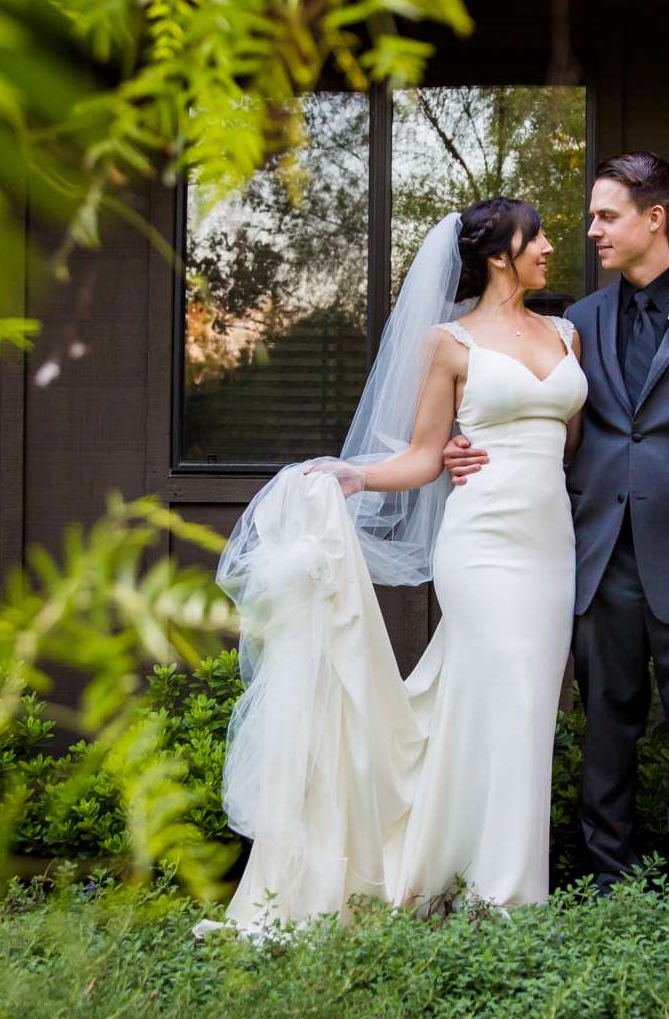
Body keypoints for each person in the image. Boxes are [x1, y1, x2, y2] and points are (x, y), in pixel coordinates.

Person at [212, 197, 585, 931]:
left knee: (527, 709)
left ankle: (479, 874)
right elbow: (420, 456)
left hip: (551, 549)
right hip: (480, 548)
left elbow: (566, 441)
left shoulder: (566, 333)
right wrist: (350, 476)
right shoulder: (448, 343)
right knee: (506, 698)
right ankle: (501, 899)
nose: (549, 244)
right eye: (534, 235)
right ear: (499, 255)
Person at [444, 151, 669, 890]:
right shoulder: (575, 324)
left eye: (606, 216)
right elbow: (534, 413)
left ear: (653, 218)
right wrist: (459, 441)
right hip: (597, 558)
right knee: (606, 732)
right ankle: (610, 885)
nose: (591, 231)